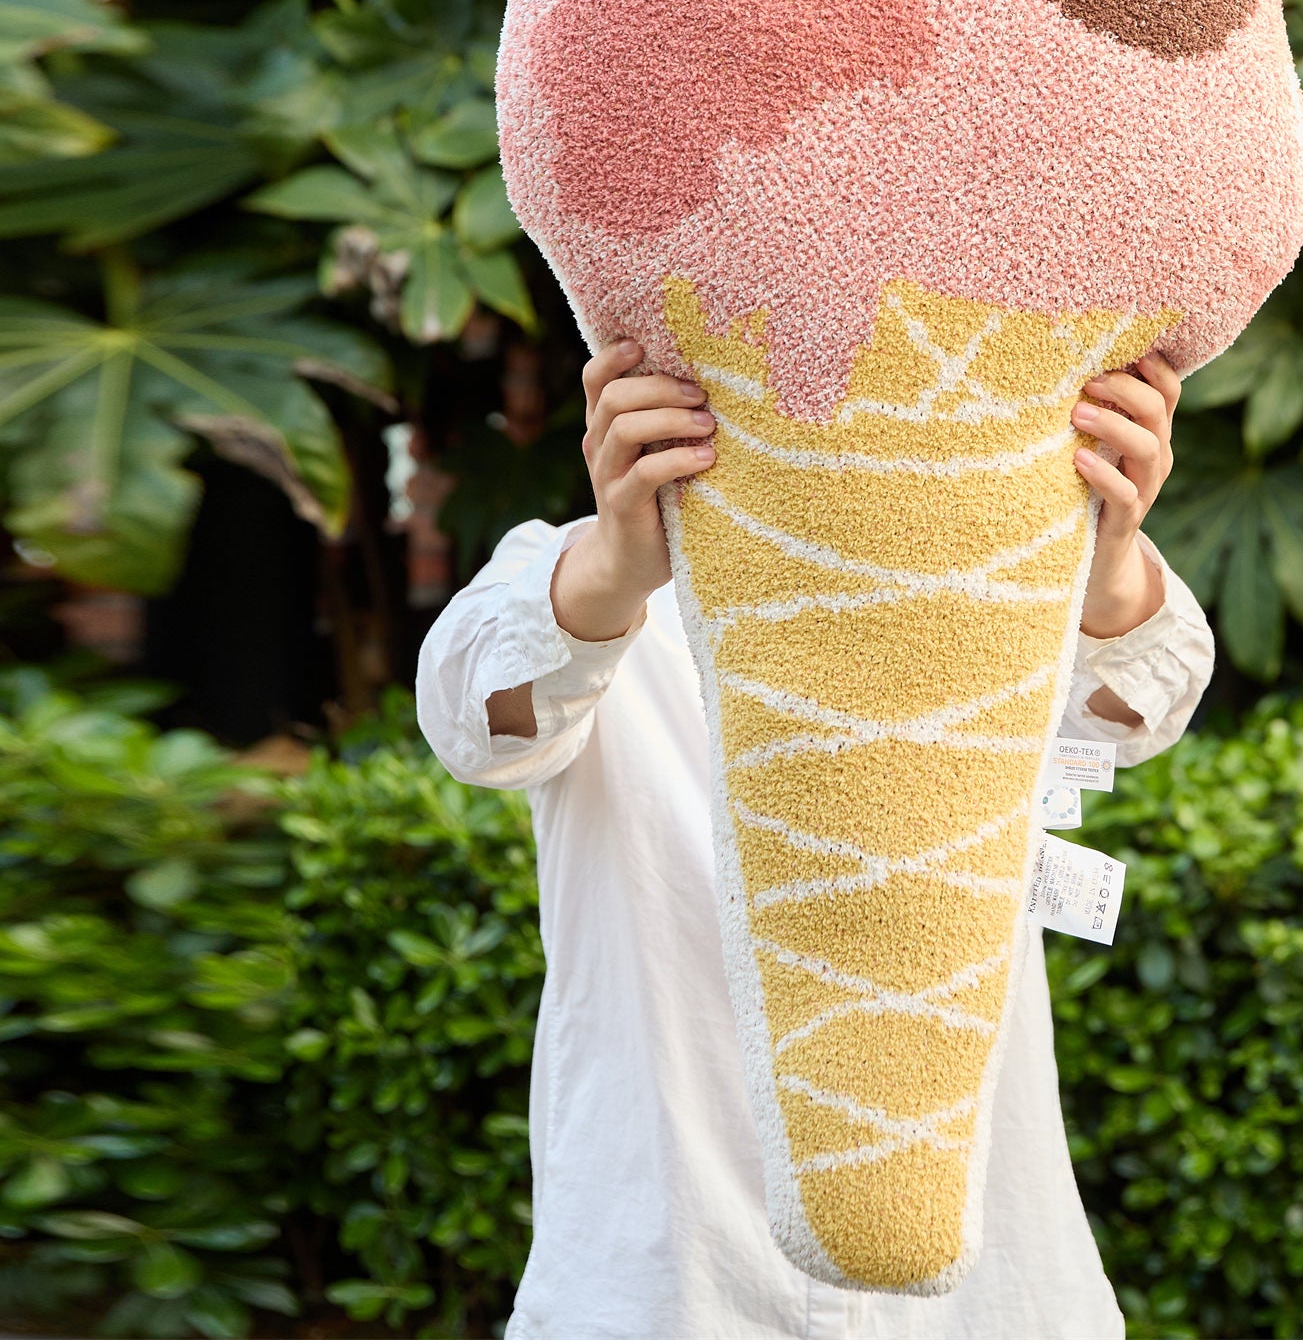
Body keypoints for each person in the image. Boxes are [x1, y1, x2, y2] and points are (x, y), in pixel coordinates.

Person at [416, 339, 1216, 1340]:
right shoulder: (584, 571)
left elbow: (1141, 702)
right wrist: (615, 567)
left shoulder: (998, 573)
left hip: (987, 1295)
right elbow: (474, 720)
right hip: (671, 1280)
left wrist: (1104, 559)